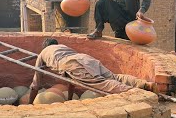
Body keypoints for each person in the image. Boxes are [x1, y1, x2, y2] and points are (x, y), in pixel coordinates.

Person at [29, 38, 157, 104]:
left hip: (72, 64)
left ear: (45, 46)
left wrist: (30, 103)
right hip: (86, 59)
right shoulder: (63, 47)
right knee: (114, 77)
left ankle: (135, 92)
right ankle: (144, 84)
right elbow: (70, 81)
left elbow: (35, 85)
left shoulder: (43, 53)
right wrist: (69, 98)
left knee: (101, 83)